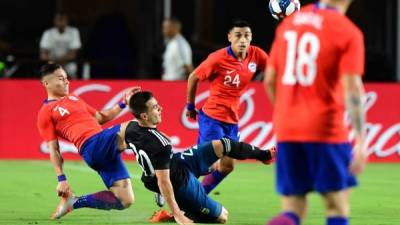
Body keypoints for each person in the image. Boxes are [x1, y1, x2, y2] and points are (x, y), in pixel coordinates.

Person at [264, 1, 367, 225]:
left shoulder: (289, 24)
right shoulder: (347, 30)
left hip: (288, 129)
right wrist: (361, 139)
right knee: (336, 205)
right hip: (325, 129)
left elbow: (270, 80)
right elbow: (352, 88)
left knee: (293, 208)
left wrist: (287, 113)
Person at [125, 91, 276, 224]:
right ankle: (176, 215)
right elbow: (163, 181)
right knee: (223, 216)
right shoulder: (160, 145)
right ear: (144, 116)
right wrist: (178, 215)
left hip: (178, 163)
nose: (160, 109)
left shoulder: (131, 127)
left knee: (223, 145)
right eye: (155, 108)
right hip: (180, 184)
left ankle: (265, 155)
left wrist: (127, 102)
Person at [36, 63, 140, 219]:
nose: (67, 82)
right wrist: (61, 179)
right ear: (46, 83)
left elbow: (101, 118)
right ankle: (156, 179)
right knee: (134, 127)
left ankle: (75, 202)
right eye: (61, 78)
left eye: (66, 78)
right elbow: (54, 148)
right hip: (92, 146)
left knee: (125, 200)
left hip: (103, 149)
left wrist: (123, 102)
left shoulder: (74, 99)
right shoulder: (45, 112)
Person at [186, 19, 269, 194]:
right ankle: (172, 186)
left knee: (227, 165)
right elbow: (193, 77)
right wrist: (190, 105)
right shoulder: (218, 58)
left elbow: (274, 70)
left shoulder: (257, 55)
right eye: (238, 35)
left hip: (232, 120)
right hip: (212, 119)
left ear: (251, 37)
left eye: (247, 35)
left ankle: (196, 196)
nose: (243, 40)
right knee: (208, 162)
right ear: (230, 37)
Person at [40, 12, 81, 79]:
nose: (61, 22)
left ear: (67, 20)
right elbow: (43, 55)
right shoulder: (48, 33)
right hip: (52, 66)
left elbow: (72, 55)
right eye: (58, 19)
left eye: (63, 19)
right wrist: (55, 63)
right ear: (54, 21)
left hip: (69, 66)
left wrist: (58, 61)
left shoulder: (74, 32)